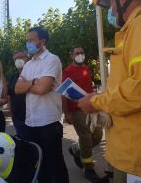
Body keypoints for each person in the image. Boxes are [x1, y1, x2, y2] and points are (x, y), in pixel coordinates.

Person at [78, 0, 141, 182]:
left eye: (111, 5)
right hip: (131, 152)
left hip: (137, 156)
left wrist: (97, 102)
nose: (112, 12)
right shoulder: (134, 28)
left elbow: (140, 88)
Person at [15, 26, 69, 183]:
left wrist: (28, 85)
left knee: (55, 166)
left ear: (42, 41)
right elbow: (17, 89)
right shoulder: (28, 65)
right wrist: (33, 82)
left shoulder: (52, 59)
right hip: (30, 123)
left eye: (31, 40)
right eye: (27, 40)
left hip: (49, 123)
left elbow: (43, 89)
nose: (28, 44)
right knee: (40, 167)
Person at [62, 46, 102, 182]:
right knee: (86, 138)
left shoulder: (86, 69)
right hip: (76, 110)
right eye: (77, 53)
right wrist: (66, 113)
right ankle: (88, 169)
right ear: (72, 55)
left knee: (97, 135)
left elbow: (89, 87)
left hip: (91, 108)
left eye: (82, 52)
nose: (80, 55)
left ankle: (76, 150)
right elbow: (64, 93)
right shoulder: (68, 71)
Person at [7, 50, 29, 138]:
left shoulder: (33, 74)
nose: (18, 60)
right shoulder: (13, 76)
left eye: (21, 57)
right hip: (17, 116)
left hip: (31, 115)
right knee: (22, 139)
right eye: (15, 59)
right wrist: (10, 110)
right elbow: (9, 94)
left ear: (28, 58)